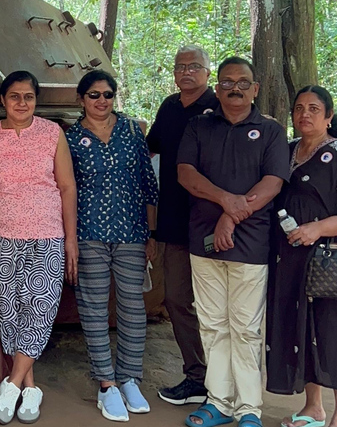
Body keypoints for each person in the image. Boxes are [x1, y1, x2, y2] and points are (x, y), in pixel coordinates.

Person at [177, 56, 289, 427]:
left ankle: (249, 409)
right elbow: (185, 174)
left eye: (243, 82)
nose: (235, 88)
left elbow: (272, 184)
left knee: (244, 328)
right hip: (203, 242)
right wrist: (225, 201)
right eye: (227, 82)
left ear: (255, 89)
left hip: (251, 244)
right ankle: (219, 402)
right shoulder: (198, 126)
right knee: (211, 325)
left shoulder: (271, 131)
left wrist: (231, 216)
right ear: (217, 87)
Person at [266, 85, 337, 427]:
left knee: (333, 329)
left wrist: (317, 229)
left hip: (330, 261)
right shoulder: (286, 152)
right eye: (299, 108)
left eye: (314, 109)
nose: (305, 114)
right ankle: (312, 407)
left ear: (329, 117)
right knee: (299, 328)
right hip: (291, 259)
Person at [0, 71, 78, 424]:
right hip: (2, 236)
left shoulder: (52, 134)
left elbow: (66, 188)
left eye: (28, 97)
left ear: (36, 100)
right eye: (14, 96)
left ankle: (12, 383)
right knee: (9, 311)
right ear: (3, 100)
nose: (21, 103)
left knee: (41, 308)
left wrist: (71, 239)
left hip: (48, 235)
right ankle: (30, 388)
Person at [65, 70, 158, 422]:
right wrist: (69, 238)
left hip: (132, 231)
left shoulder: (132, 130)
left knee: (133, 306)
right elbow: (66, 189)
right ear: (81, 99)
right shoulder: (72, 139)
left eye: (107, 94)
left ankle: (130, 377)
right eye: (93, 95)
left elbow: (148, 183)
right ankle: (107, 384)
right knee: (93, 305)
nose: (101, 101)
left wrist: (150, 232)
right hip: (89, 231)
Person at [146, 45, 218, 406]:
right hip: (175, 221)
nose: (186, 72)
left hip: (214, 223)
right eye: (180, 67)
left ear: (208, 72)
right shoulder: (170, 107)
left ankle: (226, 382)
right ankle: (197, 376)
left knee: (217, 305)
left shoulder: (221, 109)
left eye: (194, 66)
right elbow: (152, 145)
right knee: (176, 299)